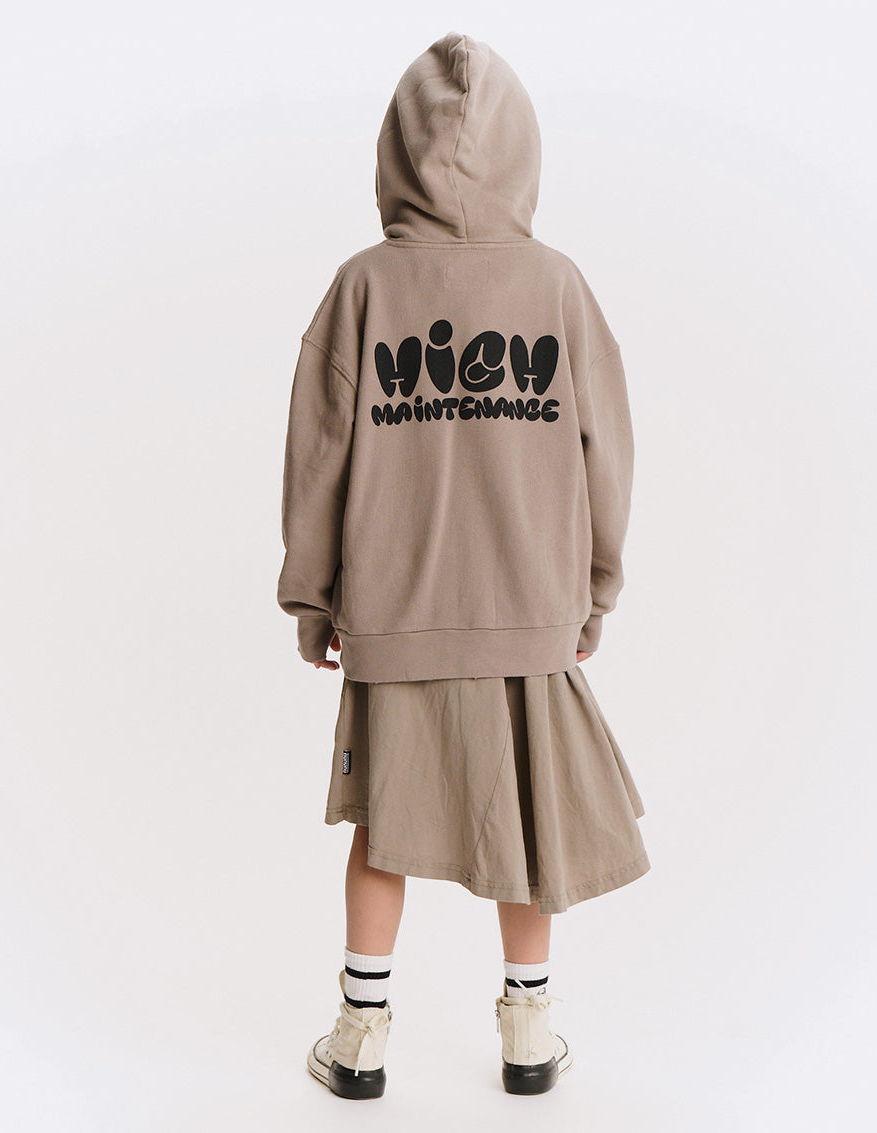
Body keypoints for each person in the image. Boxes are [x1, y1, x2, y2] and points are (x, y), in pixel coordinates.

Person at [277, 30, 650, 1100]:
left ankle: (360, 1034)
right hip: (529, 606)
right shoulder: (558, 286)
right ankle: (529, 1031)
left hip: (395, 609)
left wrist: (313, 598)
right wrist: (594, 590)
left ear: (392, 152)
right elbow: (608, 452)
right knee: (529, 827)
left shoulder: (362, 286)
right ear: (524, 151)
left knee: (382, 831)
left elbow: (317, 457)